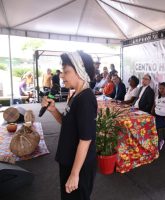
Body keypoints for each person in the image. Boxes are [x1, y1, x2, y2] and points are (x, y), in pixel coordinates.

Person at [41, 51, 97, 200]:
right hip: (69, 159)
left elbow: (86, 139)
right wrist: (53, 110)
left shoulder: (85, 99)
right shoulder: (75, 95)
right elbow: (68, 124)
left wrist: (74, 174)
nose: (62, 75)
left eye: (66, 71)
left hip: (78, 165)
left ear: (80, 71)